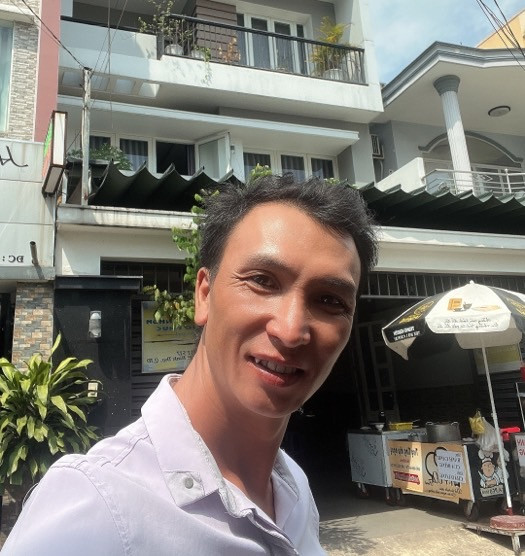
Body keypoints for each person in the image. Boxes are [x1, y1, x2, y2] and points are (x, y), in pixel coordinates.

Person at [3, 174, 377, 555]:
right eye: (263, 281)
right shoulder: (96, 507)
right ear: (204, 295)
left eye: (330, 301)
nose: (292, 330)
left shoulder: (294, 491)